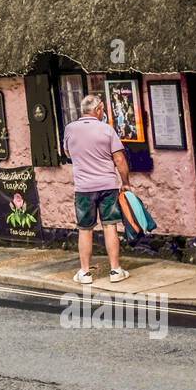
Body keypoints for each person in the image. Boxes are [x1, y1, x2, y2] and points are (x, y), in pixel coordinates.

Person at [63, 93, 131, 285]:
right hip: (108, 186)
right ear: (99, 109)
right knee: (110, 226)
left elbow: (68, 152)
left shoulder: (70, 129)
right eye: (103, 110)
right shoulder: (107, 130)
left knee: (85, 229)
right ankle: (115, 270)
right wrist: (125, 182)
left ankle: (84, 273)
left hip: (83, 187)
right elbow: (119, 159)